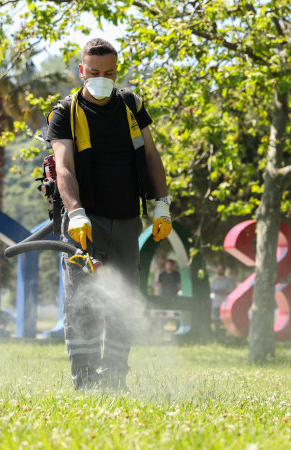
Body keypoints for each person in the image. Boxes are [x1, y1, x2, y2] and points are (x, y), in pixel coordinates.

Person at [47, 38, 172, 391]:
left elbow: (150, 156)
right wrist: (76, 213)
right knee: (82, 302)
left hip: (127, 219)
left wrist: (161, 203)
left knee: (124, 301)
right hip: (85, 223)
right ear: (82, 70)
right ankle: (84, 382)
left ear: (117, 72)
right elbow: (64, 167)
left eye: (110, 72)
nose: (103, 78)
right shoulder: (64, 112)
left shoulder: (131, 105)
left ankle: (115, 379)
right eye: (95, 72)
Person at [209, 265, 236, 332]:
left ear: (224, 270)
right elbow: (210, 289)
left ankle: (226, 332)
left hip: (224, 304)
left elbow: (232, 290)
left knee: (225, 319)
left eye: (220, 269)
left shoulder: (228, 280)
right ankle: (216, 331)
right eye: (218, 269)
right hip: (216, 303)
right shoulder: (214, 280)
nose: (219, 271)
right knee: (215, 319)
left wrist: (224, 292)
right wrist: (216, 291)